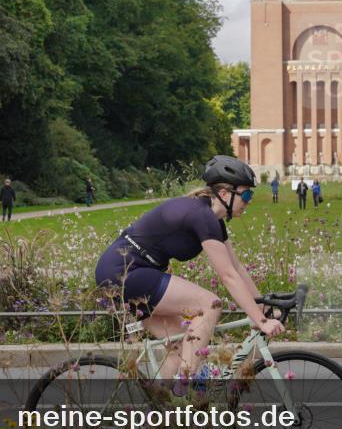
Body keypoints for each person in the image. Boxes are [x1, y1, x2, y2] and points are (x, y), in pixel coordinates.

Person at [95, 155, 284, 390]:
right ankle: (187, 389)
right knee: (210, 305)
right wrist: (260, 321)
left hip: (128, 272)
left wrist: (262, 307)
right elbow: (227, 276)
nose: (249, 201)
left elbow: (236, 268)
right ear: (225, 194)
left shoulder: (212, 220)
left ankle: (161, 414)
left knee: (180, 348)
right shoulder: (202, 216)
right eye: (246, 194)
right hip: (125, 271)